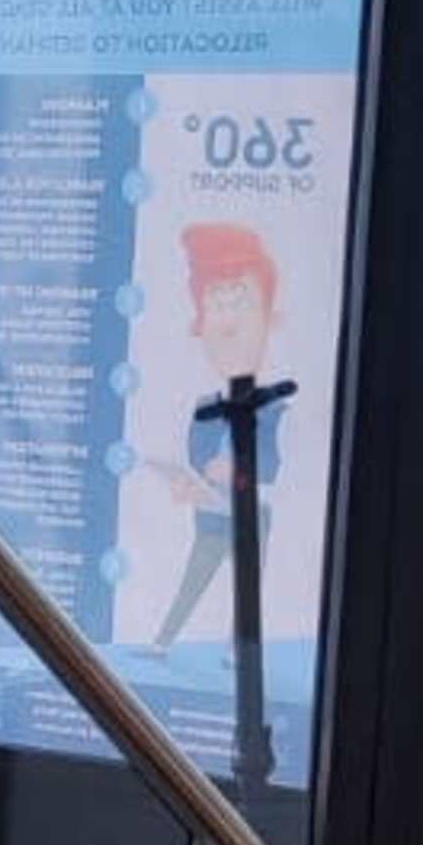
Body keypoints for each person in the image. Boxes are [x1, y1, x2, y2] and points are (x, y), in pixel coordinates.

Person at [150, 219, 285, 647]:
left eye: (240, 302)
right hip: (211, 518)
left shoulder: (277, 410)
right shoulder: (204, 408)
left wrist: (241, 473)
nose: (228, 320)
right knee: (192, 582)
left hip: (252, 520)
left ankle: (238, 654)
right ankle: (162, 641)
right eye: (216, 306)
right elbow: (192, 457)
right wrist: (188, 482)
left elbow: (282, 473)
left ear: (268, 318)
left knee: (248, 595)